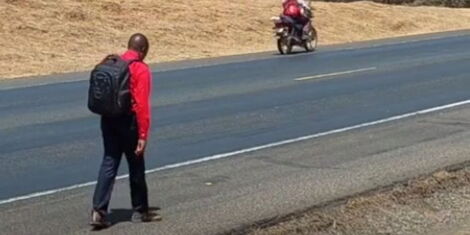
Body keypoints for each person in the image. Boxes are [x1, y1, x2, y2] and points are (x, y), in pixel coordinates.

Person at [90, 33, 160, 228]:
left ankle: (98, 210)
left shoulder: (113, 63)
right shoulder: (140, 68)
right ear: (143, 50)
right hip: (128, 121)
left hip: (108, 119)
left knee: (109, 161)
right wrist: (143, 135)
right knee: (136, 163)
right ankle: (140, 210)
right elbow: (141, 105)